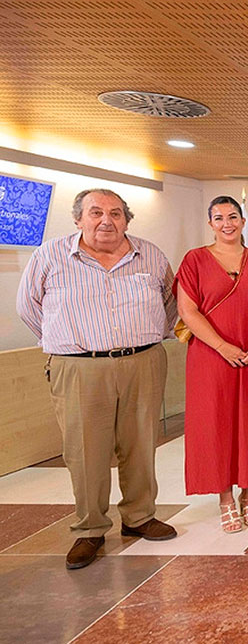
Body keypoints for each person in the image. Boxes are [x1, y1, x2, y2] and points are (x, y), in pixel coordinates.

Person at [16, 189, 178, 570]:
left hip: (142, 362)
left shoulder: (150, 254)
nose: (107, 220)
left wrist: (146, 336)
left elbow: (171, 302)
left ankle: (139, 517)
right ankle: (89, 528)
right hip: (79, 366)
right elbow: (28, 307)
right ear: (79, 219)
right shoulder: (50, 255)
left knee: (141, 442)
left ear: (127, 219)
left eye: (116, 213)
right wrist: (68, 344)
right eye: (96, 212)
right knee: (85, 450)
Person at [175, 196, 248, 533]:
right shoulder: (195, 260)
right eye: (218, 218)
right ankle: (225, 499)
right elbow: (188, 312)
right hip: (210, 356)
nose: (226, 223)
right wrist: (222, 346)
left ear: (243, 221)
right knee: (215, 425)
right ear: (210, 223)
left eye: (233, 216)